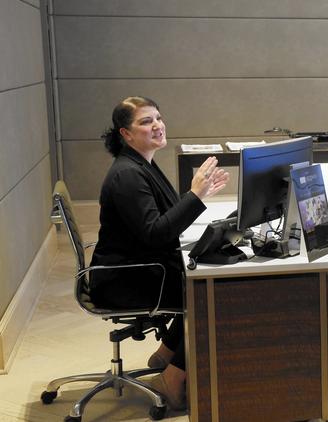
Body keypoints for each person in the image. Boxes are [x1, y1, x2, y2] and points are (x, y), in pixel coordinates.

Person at [90, 96, 230, 410]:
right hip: (125, 279)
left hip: (139, 266)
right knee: (213, 293)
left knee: (205, 279)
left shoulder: (142, 164)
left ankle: (166, 353)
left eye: (158, 117)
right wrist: (195, 194)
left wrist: (199, 195)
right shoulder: (127, 174)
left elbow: (163, 220)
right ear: (126, 134)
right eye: (145, 121)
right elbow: (156, 234)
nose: (157, 125)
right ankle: (172, 378)